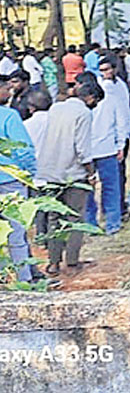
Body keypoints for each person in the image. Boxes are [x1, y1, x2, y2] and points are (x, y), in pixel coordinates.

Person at [34, 76, 102, 276]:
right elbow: (82, 150)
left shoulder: (56, 107)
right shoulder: (83, 113)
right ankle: (72, 261)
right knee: (74, 218)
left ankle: (53, 263)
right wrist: (91, 174)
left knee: (54, 218)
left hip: (49, 171)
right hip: (72, 174)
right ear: (90, 97)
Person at [83, 54, 130, 234]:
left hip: (92, 151)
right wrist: (120, 144)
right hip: (107, 149)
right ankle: (112, 223)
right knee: (110, 187)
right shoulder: (111, 98)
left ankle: (92, 224)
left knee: (89, 188)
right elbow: (121, 123)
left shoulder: (82, 104)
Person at [0, 74, 38, 283]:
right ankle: (25, 279)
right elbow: (23, 149)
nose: (10, 92)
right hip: (10, 181)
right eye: (6, 88)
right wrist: (29, 175)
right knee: (17, 232)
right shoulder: (9, 116)